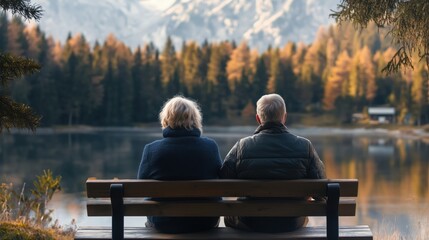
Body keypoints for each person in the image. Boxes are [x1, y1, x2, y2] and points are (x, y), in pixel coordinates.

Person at [220, 93, 326, 233]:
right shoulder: (305, 146)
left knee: (229, 217)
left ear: (258, 119)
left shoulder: (241, 146)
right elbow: (322, 193)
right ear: (284, 117)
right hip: (291, 223)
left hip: (250, 222)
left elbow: (222, 183)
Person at [137, 96, 222, 233]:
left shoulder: (151, 149)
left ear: (166, 119)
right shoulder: (210, 147)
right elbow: (220, 180)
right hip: (205, 221)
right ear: (195, 120)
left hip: (163, 221)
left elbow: (141, 187)